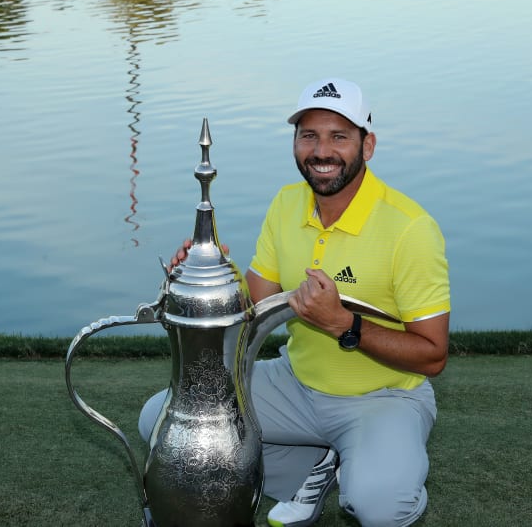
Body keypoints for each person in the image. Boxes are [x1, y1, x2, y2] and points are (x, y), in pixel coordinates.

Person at [139, 77, 450, 527]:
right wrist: (207, 280)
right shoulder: (286, 205)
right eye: (309, 136)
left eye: (339, 136)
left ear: (368, 146)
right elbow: (252, 311)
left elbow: (433, 356)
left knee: (380, 507)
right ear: (295, 143)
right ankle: (319, 468)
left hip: (385, 398)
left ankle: (372, 469)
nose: (322, 151)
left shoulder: (410, 228)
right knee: (160, 421)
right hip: (296, 385)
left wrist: (345, 325)